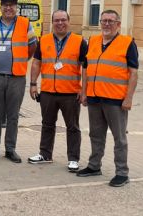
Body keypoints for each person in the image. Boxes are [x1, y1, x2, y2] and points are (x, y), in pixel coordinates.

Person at [76, 9, 139, 187]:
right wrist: (84, 92)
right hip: (95, 97)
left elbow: (133, 73)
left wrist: (129, 98)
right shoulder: (93, 41)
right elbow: (86, 69)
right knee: (96, 135)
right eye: (104, 21)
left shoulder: (127, 43)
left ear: (118, 24)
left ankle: (122, 173)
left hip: (116, 100)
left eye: (111, 21)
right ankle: (94, 166)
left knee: (119, 138)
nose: (107, 24)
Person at [0, 0, 37, 163]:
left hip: (16, 77)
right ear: (1, 7)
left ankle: (10, 149)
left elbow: (32, 46)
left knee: (13, 115)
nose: (8, 8)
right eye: (5, 5)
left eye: (12, 5)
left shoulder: (25, 24)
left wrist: (20, 60)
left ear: (16, 7)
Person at [28, 10, 86, 172]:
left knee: (73, 127)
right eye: (56, 21)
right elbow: (36, 63)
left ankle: (73, 159)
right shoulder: (44, 40)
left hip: (71, 93)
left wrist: (84, 90)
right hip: (48, 92)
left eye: (63, 20)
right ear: (52, 22)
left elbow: (85, 68)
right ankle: (45, 154)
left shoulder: (79, 41)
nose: (60, 23)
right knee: (47, 124)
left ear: (69, 21)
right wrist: (33, 84)